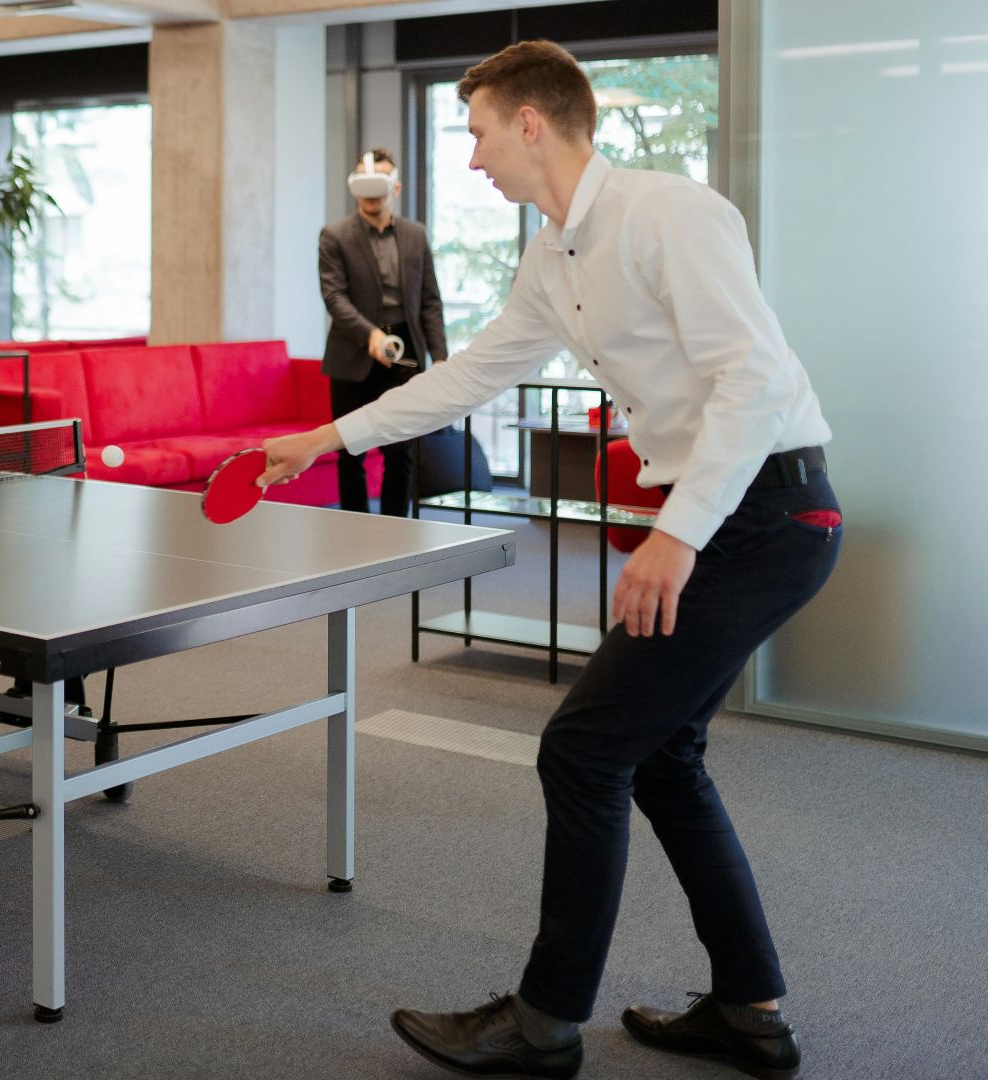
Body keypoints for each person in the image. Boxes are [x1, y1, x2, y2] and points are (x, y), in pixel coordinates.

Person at [263, 40, 835, 1080]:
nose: (471, 157)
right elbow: (472, 377)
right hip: (728, 517)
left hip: (767, 517)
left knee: (583, 748)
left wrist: (676, 534)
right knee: (659, 755)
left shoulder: (672, 214)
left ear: (532, 121)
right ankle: (750, 1009)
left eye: (478, 131)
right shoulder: (551, 257)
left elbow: (751, 380)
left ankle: (542, 1024)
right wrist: (325, 439)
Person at [317, 147, 447, 516]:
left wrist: (439, 359)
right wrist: (370, 335)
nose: (372, 192)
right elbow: (334, 296)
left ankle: (395, 530)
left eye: (380, 183)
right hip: (353, 353)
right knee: (350, 449)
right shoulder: (335, 235)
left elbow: (430, 300)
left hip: (405, 351)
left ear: (396, 188)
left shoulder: (415, 235)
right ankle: (356, 530)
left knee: (400, 449)